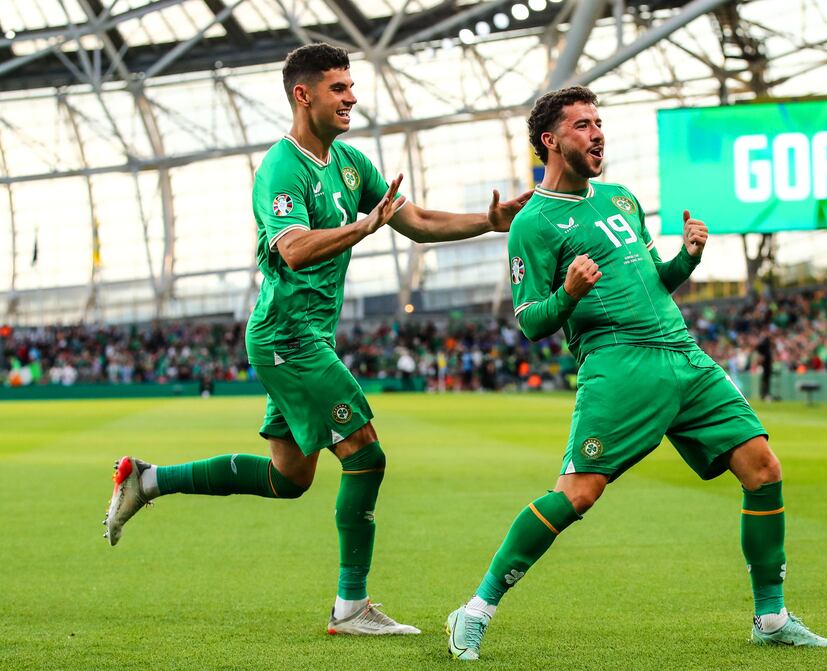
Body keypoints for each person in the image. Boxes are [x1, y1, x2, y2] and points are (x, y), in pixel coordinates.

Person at [103, 43, 530, 636]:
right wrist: (360, 226)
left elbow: (419, 222)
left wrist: (487, 221)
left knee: (289, 479)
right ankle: (351, 608)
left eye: (352, 86)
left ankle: (146, 479)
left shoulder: (350, 163)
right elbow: (293, 247)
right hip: (290, 338)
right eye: (339, 87)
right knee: (367, 457)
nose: (352, 97)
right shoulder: (281, 167)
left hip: (304, 337)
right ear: (304, 95)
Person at [445, 86, 827, 660]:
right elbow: (530, 319)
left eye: (598, 123)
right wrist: (568, 293)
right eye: (582, 125)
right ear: (551, 142)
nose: (597, 133)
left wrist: (688, 257)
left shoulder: (622, 199)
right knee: (577, 495)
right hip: (619, 363)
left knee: (763, 468)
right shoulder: (534, 222)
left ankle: (771, 617)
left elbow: (654, 279)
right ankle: (474, 610)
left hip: (682, 352)